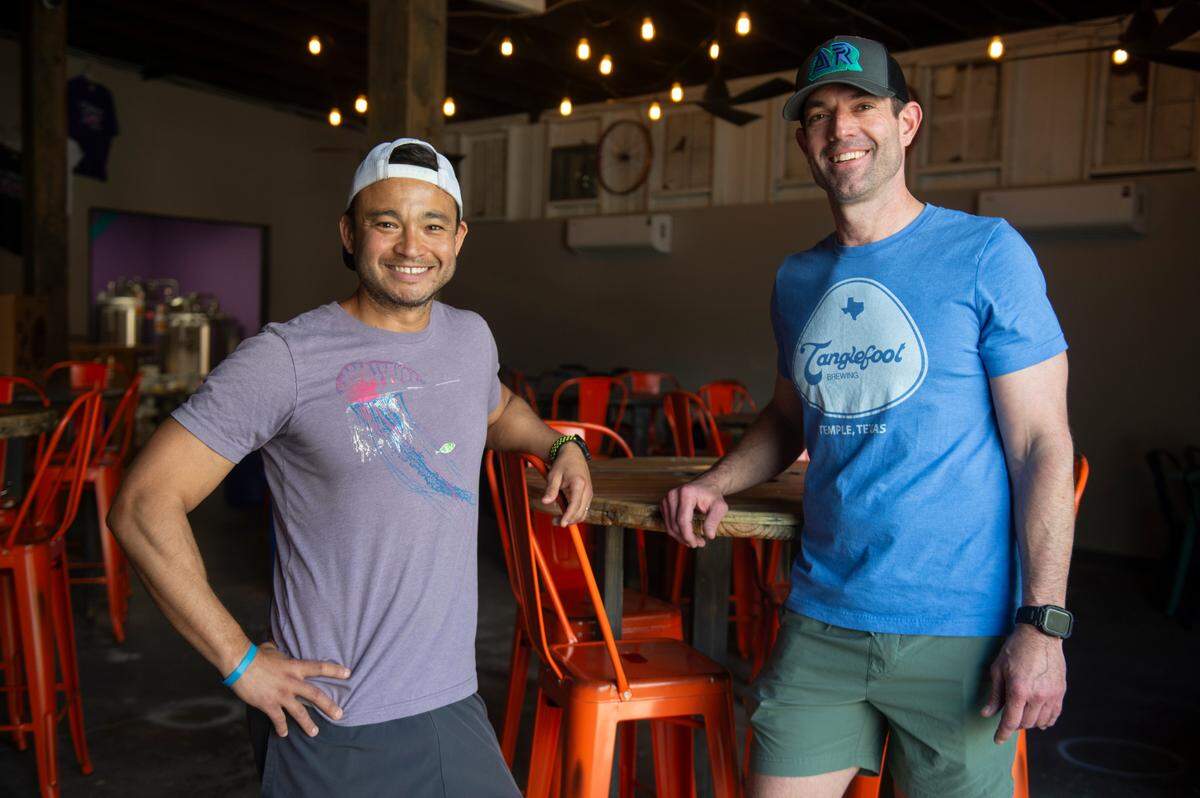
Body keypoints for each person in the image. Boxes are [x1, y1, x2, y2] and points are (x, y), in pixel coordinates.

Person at [109, 137, 594, 797]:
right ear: (349, 232)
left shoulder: (469, 337)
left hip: (453, 703)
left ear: (458, 239)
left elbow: (497, 407)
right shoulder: (286, 357)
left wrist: (557, 446)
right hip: (336, 719)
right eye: (386, 222)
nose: (410, 246)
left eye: (431, 225)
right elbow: (144, 503)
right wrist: (238, 659)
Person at [661, 36, 1076, 798]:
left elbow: (1043, 446)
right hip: (825, 614)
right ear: (803, 141)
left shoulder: (987, 252)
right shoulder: (798, 277)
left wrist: (1041, 624)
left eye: (860, 107)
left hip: (962, 628)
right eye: (818, 115)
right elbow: (789, 417)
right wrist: (716, 481)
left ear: (907, 121)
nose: (839, 128)